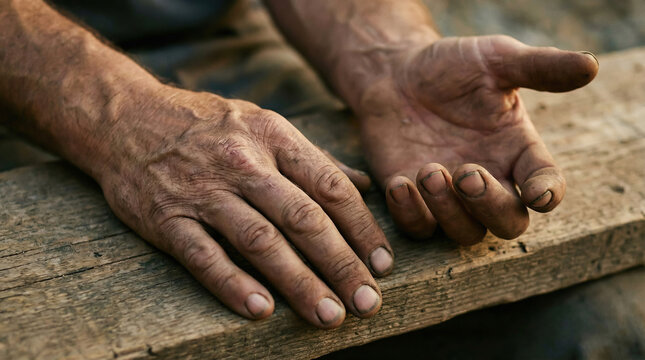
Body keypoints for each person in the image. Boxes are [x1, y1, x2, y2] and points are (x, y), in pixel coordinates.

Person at [0, 0, 598, 328]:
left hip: (226, 36)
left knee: (599, 326)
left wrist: (383, 58)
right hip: (28, 78)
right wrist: (117, 111)